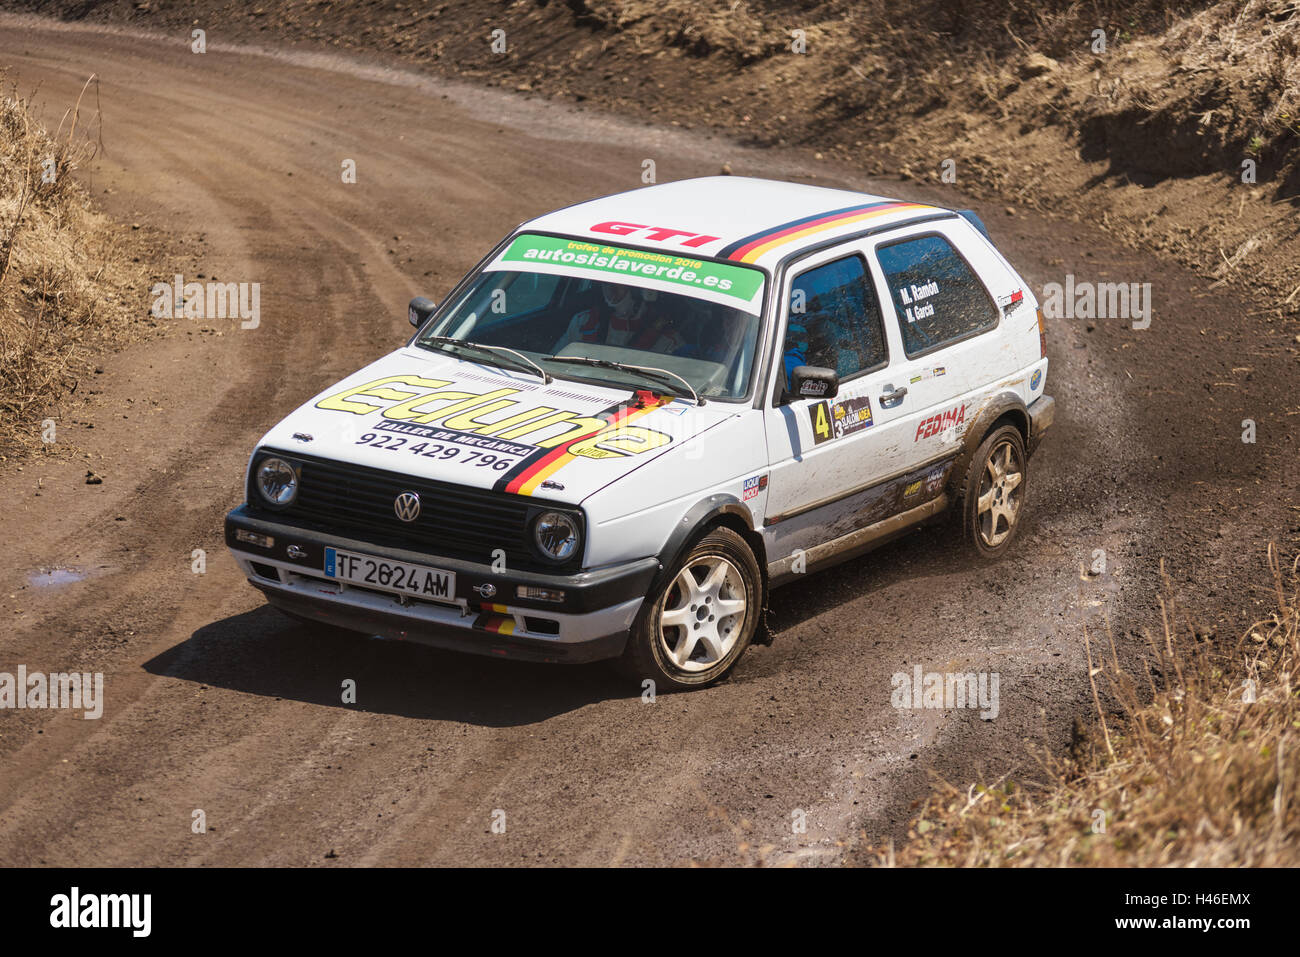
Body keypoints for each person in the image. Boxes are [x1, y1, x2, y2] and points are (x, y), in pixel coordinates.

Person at [554, 282, 684, 355]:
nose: (610, 290)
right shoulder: (583, 322)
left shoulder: (667, 339)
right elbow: (554, 359)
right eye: (606, 284)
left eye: (618, 285)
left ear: (636, 290)